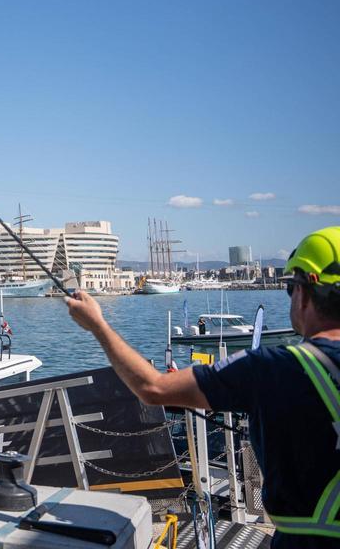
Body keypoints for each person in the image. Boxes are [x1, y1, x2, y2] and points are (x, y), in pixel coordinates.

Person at [65, 226, 340, 548]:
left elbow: (153, 388)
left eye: (290, 289)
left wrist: (97, 324)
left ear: (305, 292)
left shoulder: (274, 367)